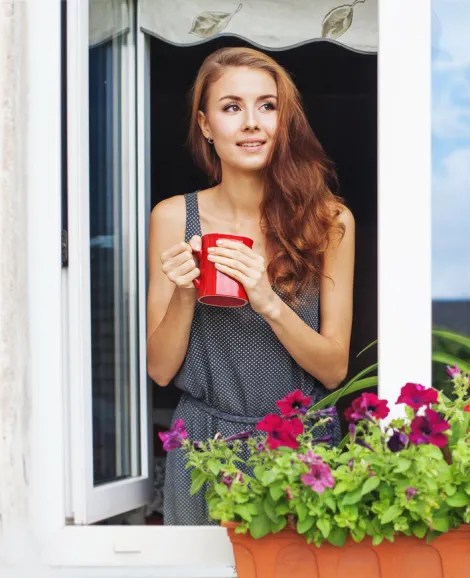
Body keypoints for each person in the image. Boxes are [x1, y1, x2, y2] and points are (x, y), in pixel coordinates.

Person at [146, 47, 355, 525]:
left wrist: (267, 300)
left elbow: (333, 370)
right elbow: (159, 370)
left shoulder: (329, 221)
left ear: (285, 121)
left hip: (301, 444)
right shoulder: (175, 217)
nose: (251, 123)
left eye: (267, 105)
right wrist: (184, 292)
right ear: (205, 124)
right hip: (204, 443)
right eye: (231, 107)